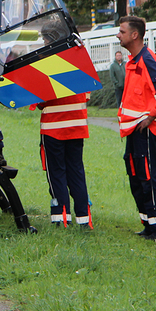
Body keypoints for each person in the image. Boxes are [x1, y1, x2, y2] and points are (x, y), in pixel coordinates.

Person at [117, 15, 156, 243]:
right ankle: (149, 224)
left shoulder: (147, 60)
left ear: (134, 35)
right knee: (135, 174)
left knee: (149, 177)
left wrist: (150, 118)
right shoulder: (133, 61)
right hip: (133, 130)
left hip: (145, 131)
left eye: (121, 31)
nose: (118, 35)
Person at [38, 92, 92, 228]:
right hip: (77, 126)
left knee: (56, 173)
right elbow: (86, 97)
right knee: (77, 172)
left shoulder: (47, 73)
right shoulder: (82, 72)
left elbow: (40, 102)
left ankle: (61, 217)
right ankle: (84, 218)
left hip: (53, 127)